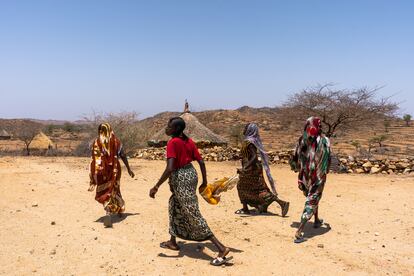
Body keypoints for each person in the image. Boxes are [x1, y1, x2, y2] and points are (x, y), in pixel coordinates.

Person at [149, 117, 232, 266]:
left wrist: (156, 186)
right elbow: (200, 161)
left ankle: (221, 248)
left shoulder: (173, 142)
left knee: (192, 212)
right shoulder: (189, 141)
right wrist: (204, 181)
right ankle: (173, 241)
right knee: (174, 205)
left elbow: (170, 167)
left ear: (176, 129)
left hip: (181, 177)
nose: (166, 128)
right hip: (191, 174)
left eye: (169, 126)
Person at [290, 117, 331, 243]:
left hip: (305, 175)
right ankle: (299, 231)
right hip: (318, 175)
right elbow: (328, 157)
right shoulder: (324, 140)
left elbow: (295, 156)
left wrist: (297, 168)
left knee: (312, 196)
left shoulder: (302, 139)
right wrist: (326, 170)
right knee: (313, 199)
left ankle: (316, 220)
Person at [236, 123, 289, 216]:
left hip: (251, 169)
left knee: (242, 187)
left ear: (250, 130)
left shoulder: (249, 142)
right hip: (252, 168)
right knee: (258, 188)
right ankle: (268, 205)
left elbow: (254, 157)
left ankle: (246, 208)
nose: (244, 129)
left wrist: (245, 168)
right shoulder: (249, 141)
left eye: (246, 128)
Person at [88, 123, 135, 227]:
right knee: (115, 188)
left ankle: (109, 210)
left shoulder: (96, 142)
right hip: (115, 170)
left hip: (101, 172)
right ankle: (119, 209)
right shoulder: (116, 141)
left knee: (105, 190)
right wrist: (128, 168)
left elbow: (94, 159)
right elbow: (122, 154)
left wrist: (93, 175)